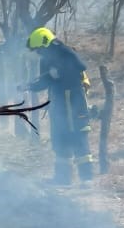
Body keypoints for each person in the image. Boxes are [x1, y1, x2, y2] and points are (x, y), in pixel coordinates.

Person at [26, 26, 95, 185]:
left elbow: (80, 67)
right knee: (60, 139)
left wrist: (60, 70)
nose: (38, 53)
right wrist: (30, 86)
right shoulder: (45, 60)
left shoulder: (65, 52)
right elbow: (46, 80)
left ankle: (87, 179)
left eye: (39, 49)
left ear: (45, 43)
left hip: (74, 101)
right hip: (58, 103)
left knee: (78, 138)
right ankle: (62, 178)